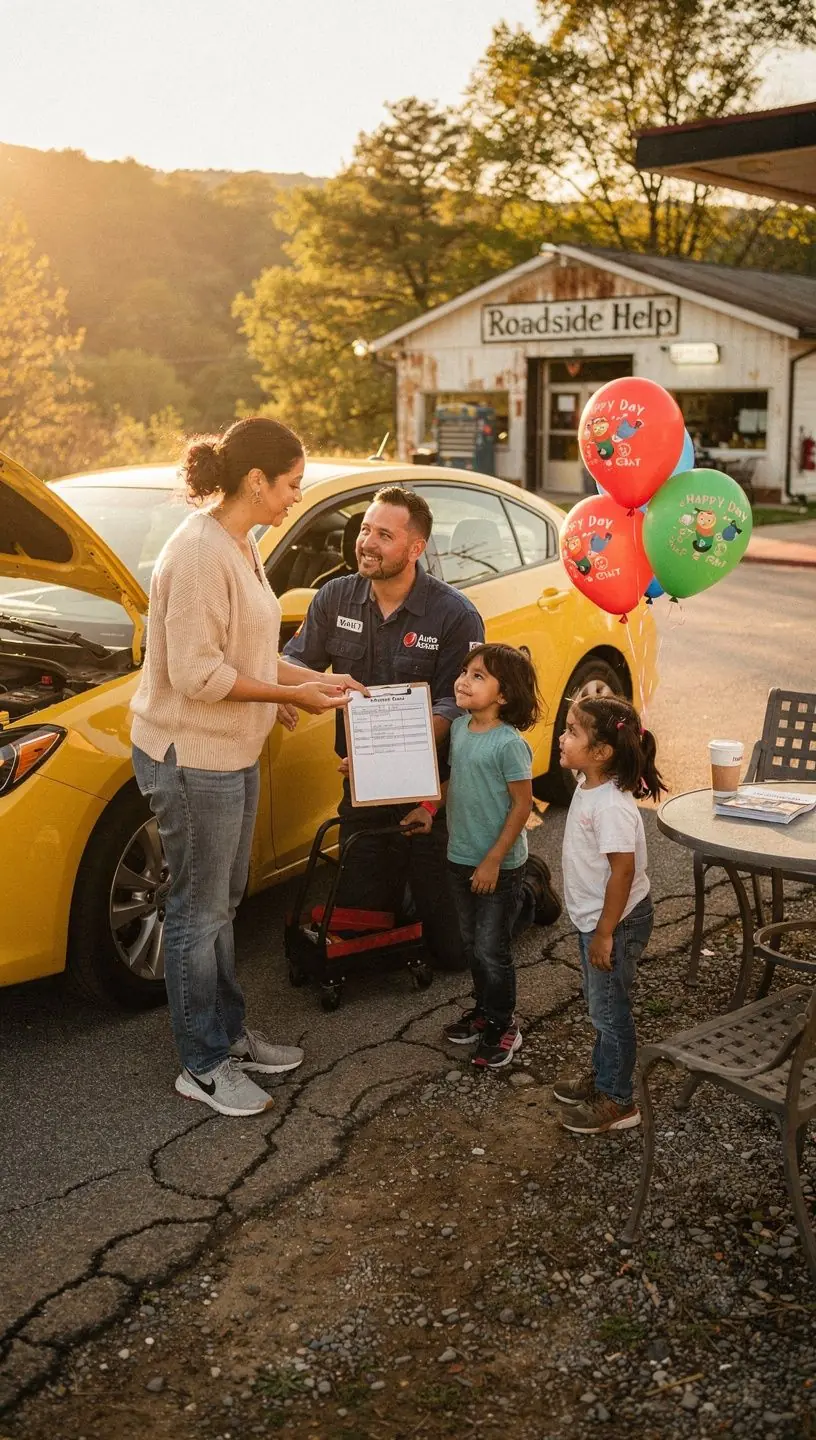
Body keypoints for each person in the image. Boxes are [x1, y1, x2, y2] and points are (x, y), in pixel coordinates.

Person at [130, 417, 364, 1119]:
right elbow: (201, 675)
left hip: (232, 750)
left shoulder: (240, 541)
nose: (297, 497)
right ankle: (201, 1064)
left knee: (223, 903)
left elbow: (248, 656)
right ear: (256, 481)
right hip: (191, 755)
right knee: (198, 914)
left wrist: (304, 685)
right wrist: (287, 692)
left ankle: (226, 1034)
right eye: (293, 484)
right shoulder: (200, 552)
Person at [283, 485, 560, 971]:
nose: (366, 543)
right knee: (359, 930)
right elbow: (296, 660)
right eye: (365, 530)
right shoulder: (335, 597)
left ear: (415, 549)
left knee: (454, 951)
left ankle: (527, 886)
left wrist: (394, 750)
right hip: (364, 791)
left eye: (383, 535)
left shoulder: (454, 614)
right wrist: (284, 694)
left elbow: (462, 704)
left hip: (439, 795)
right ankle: (412, 893)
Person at [405, 644, 558, 1068]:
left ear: (504, 695)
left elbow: (522, 806)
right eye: (464, 671)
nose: (463, 680)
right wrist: (429, 808)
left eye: (478, 676)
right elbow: (455, 781)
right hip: (460, 856)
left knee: (493, 949)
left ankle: (504, 1024)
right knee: (472, 944)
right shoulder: (459, 730)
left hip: (500, 865)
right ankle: (483, 1011)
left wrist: (493, 860)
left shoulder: (509, 745)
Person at [552, 694, 665, 1134]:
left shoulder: (612, 807)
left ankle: (618, 1100)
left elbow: (623, 872)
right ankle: (604, 1079)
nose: (562, 738)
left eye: (571, 732)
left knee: (609, 1011)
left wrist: (604, 933)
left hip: (613, 923)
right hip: (598, 921)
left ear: (601, 753)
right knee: (602, 1005)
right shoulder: (590, 785)